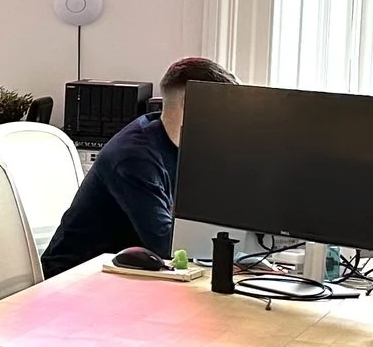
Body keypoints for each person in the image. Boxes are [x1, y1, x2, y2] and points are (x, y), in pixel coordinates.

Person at [40, 56, 238, 277]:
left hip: (127, 273)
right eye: (224, 109)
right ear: (192, 105)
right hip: (75, 278)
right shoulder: (134, 157)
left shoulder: (178, 142)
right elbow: (165, 243)